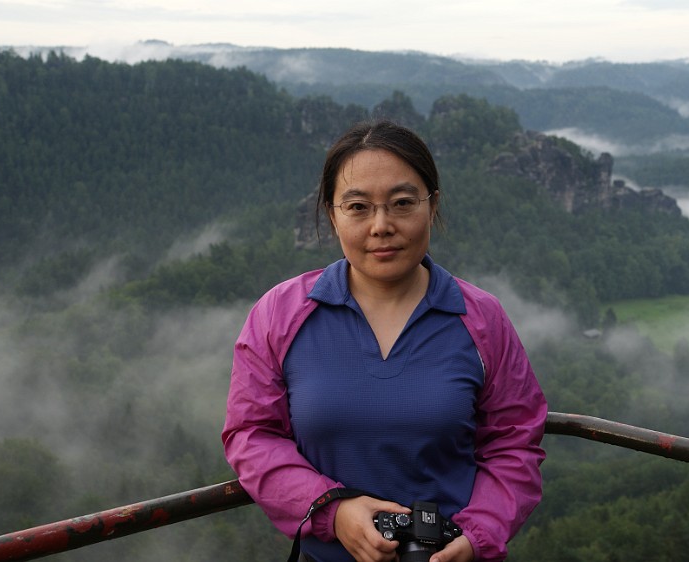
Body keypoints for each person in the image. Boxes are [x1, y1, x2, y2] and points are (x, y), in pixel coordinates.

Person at [222, 120, 547, 562]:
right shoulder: (280, 314)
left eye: (401, 203)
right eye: (357, 207)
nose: (381, 226)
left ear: (432, 206)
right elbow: (251, 435)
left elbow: (514, 443)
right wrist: (332, 511)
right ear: (331, 213)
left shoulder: (482, 319)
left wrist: (478, 535)